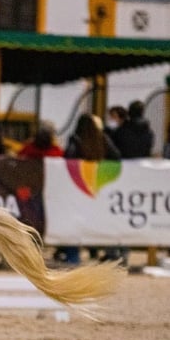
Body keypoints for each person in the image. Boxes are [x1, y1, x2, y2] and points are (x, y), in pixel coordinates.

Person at [59, 113, 121, 265]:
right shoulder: (102, 138)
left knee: (74, 222)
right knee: (102, 221)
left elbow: (69, 158)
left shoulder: (76, 140)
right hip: (99, 188)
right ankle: (110, 254)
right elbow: (116, 156)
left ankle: (73, 256)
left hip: (79, 187)